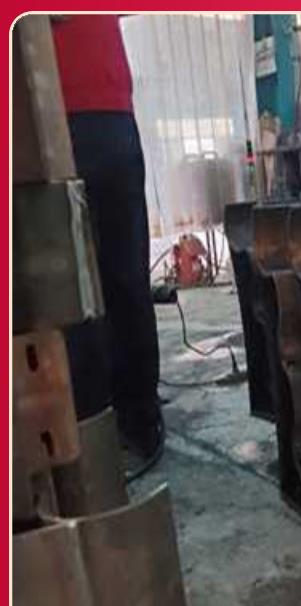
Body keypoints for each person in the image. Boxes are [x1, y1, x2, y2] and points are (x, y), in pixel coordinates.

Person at [52, 15, 163, 471]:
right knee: (122, 277)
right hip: (107, 115)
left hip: (58, 116)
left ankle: (99, 427)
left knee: (73, 286)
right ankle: (136, 421)